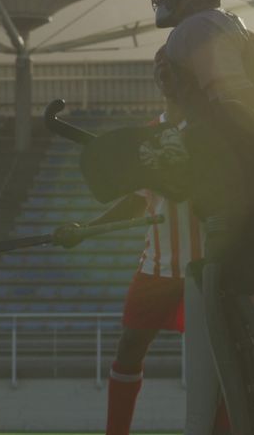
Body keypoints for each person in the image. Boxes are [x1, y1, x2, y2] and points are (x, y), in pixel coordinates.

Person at [148, 0, 254, 435]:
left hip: (239, 180)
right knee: (239, 307)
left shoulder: (195, 30)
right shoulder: (238, 29)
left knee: (236, 312)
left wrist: (184, 142)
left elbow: (229, 105)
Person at [54, 109, 229, 435]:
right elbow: (137, 199)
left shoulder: (212, 128)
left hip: (207, 265)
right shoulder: (147, 133)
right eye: (160, 71)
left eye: (172, 69)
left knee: (216, 358)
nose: (166, 78)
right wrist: (88, 229)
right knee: (130, 345)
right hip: (156, 266)